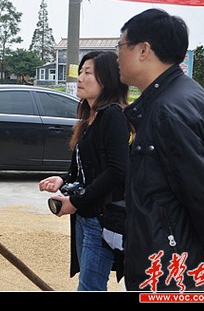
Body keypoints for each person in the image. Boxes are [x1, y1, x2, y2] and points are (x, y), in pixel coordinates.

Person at [117, 8, 204, 292]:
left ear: (144, 50)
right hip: (174, 259)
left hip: (171, 268)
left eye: (120, 47)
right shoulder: (183, 93)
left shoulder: (167, 111)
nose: (118, 56)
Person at [39, 51, 131, 291]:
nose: (80, 78)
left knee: (90, 287)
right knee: (89, 284)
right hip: (85, 214)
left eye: (87, 73)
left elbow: (117, 170)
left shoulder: (113, 115)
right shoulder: (91, 116)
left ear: (107, 79)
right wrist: (63, 179)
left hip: (100, 219)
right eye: (80, 72)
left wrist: (76, 201)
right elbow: (87, 169)